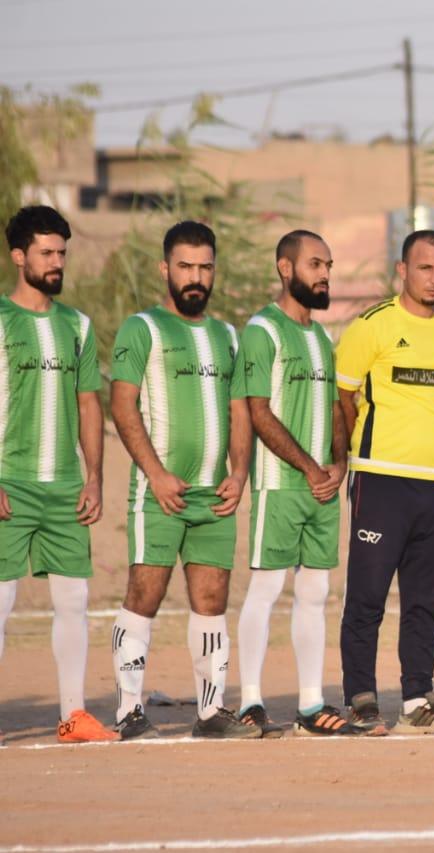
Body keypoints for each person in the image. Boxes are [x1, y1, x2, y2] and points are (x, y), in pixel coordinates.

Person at [109, 220, 257, 740]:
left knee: (212, 601)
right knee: (143, 595)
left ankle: (211, 714)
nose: (196, 277)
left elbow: (241, 410)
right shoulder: (141, 328)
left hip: (214, 496)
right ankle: (129, 710)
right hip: (160, 494)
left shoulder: (227, 335)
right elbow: (121, 404)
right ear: (164, 268)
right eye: (185, 266)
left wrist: (239, 473)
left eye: (205, 267)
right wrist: (156, 473)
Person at [335, 229, 434, 735]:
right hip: (381, 480)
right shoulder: (371, 326)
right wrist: (347, 459)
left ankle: (418, 699)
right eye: (425, 268)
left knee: (425, 600)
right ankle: (362, 698)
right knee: (368, 594)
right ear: (402, 270)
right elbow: (343, 399)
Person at [233, 230, 357, 738]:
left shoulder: (320, 338)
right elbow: (257, 412)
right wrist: (310, 468)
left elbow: (332, 408)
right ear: (285, 269)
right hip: (279, 485)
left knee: (316, 591)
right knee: (265, 588)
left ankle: (311, 705)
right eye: (314, 264)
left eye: (328, 264)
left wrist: (339, 461)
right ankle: (250, 703)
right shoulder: (263, 331)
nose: (324, 273)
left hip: (321, 488)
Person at [0, 206, 116, 745]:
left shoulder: (78, 324)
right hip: (9, 481)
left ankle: (74, 714)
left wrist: (93, 478)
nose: (56, 262)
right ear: (18, 256)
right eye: (46, 253)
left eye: (61, 253)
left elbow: (89, 403)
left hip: (65, 486)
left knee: (73, 601)